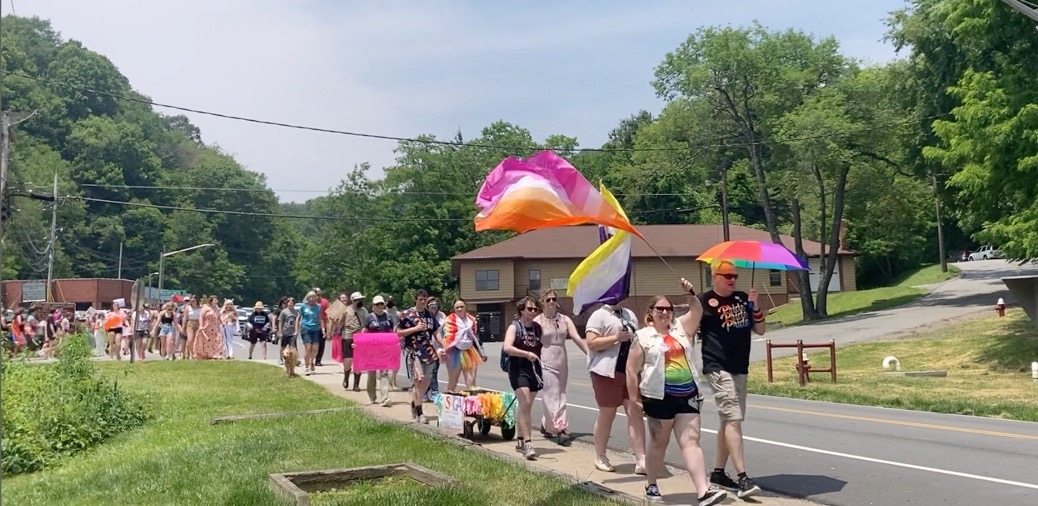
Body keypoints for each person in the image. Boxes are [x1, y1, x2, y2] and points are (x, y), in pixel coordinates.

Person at [627, 280, 727, 505]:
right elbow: (631, 371)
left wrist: (690, 293)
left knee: (691, 441)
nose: (664, 312)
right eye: (659, 309)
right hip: (658, 398)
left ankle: (704, 491)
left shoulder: (681, 328)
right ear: (650, 313)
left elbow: (698, 309)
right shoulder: (643, 337)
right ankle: (651, 485)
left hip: (688, 396)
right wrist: (634, 400)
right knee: (658, 444)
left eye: (668, 309)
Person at [701, 260, 765, 498]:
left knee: (730, 421)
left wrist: (755, 306)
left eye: (735, 276)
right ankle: (743, 479)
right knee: (733, 420)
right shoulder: (705, 300)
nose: (732, 280)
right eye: (727, 275)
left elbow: (760, 330)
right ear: (715, 276)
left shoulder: (741, 298)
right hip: (718, 367)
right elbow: (687, 326)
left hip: (740, 367)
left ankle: (718, 472)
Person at [585, 297, 647, 474]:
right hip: (606, 372)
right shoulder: (599, 315)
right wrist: (615, 338)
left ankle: (641, 458)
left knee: (634, 411)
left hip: (629, 372)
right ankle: (600, 455)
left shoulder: (629, 314)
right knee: (608, 414)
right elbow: (591, 343)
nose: (617, 295)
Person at [534, 289, 588, 446]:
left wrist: (589, 354)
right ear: (543, 302)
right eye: (548, 299)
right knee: (549, 395)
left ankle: (547, 424)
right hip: (545, 360)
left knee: (561, 394)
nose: (551, 302)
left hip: (562, 361)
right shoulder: (537, 321)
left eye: (554, 299)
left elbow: (577, 337)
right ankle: (560, 427)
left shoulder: (564, 319)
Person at [503, 296, 543, 460]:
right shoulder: (514, 328)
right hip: (518, 368)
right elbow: (507, 348)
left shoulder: (538, 328)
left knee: (526, 406)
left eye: (535, 309)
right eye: (529, 309)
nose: (533, 312)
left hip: (534, 369)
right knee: (525, 402)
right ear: (521, 310)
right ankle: (528, 443)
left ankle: (519, 439)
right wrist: (525, 354)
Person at [396, 289, 445, 424]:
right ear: (415, 300)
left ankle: (414, 403)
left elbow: (435, 332)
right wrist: (415, 329)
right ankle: (420, 412)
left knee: (427, 382)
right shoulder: (406, 315)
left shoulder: (430, 315)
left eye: (425, 299)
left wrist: (445, 345)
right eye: (420, 299)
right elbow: (398, 333)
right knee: (418, 381)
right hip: (413, 351)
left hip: (428, 352)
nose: (423, 302)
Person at [441, 299, 486, 392]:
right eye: (457, 307)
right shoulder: (449, 320)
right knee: (453, 380)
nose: (459, 309)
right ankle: (447, 403)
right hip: (454, 352)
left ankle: (471, 403)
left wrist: (482, 352)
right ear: (454, 309)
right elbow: (446, 337)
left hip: (470, 351)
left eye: (461, 306)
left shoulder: (472, 320)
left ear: (465, 307)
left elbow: (476, 337)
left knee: (471, 381)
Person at [363, 295, 394, 406]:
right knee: (371, 374)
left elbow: (391, 332)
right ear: (373, 306)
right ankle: (372, 397)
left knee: (384, 373)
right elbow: (364, 332)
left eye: (381, 304)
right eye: (377, 304)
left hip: (384, 349)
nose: (379, 306)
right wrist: (359, 343)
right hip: (371, 349)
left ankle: (384, 398)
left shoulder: (388, 317)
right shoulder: (369, 317)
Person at [340, 292, 369, 390]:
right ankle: (346, 376)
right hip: (348, 336)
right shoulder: (346, 310)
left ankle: (356, 384)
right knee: (348, 360)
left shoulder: (364, 311)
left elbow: (368, 323)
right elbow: (340, 324)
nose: (360, 301)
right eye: (358, 300)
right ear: (353, 301)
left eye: (361, 299)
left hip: (360, 337)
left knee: (358, 360)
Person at [423, 298, 447, 402]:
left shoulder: (442, 316)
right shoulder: (423, 315)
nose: (434, 306)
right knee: (426, 372)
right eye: (431, 304)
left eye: (436, 304)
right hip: (425, 347)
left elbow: (445, 331)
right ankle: (426, 392)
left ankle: (433, 391)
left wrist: (445, 345)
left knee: (434, 371)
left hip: (437, 347)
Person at [298, 291, 323, 375]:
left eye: (314, 297)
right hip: (305, 328)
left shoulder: (319, 307)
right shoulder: (303, 306)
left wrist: (323, 329)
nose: (312, 299)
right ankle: (306, 367)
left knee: (315, 349)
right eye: (310, 297)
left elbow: (320, 318)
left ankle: (312, 360)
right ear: (307, 298)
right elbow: (298, 317)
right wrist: (297, 328)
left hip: (316, 329)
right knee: (308, 348)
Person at [314, 287, 330, 367]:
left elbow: (329, 314)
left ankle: (318, 360)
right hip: (312, 325)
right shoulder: (309, 302)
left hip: (322, 325)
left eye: (319, 295)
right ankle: (311, 359)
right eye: (316, 295)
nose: (318, 296)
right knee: (312, 343)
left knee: (321, 343)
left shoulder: (325, 302)